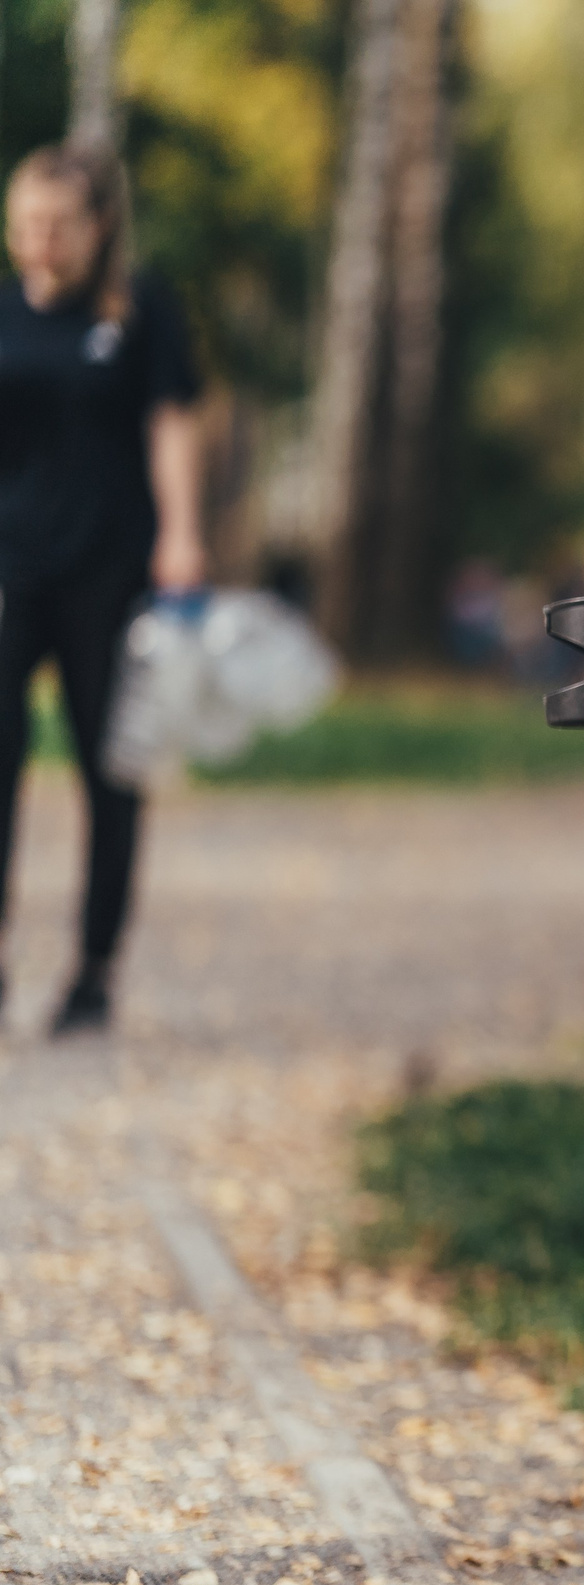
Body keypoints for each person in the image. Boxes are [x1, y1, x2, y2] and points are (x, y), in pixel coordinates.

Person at [0, 142, 206, 1033]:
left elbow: (172, 422)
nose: (39, 243)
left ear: (96, 227)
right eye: (24, 226)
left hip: (110, 566)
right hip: (12, 563)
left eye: (56, 226)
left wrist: (184, 532)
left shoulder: (140, 308)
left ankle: (92, 967)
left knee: (107, 766)